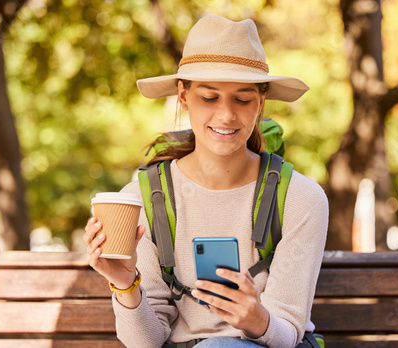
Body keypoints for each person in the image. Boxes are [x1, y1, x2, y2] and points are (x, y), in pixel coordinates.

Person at [83, 15, 328, 348]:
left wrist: (257, 319)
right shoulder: (143, 198)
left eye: (242, 100)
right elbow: (146, 343)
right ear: (183, 97)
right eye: (209, 98)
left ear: (260, 103)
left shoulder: (300, 197)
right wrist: (125, 282)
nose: (226, 115)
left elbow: (288, 334)